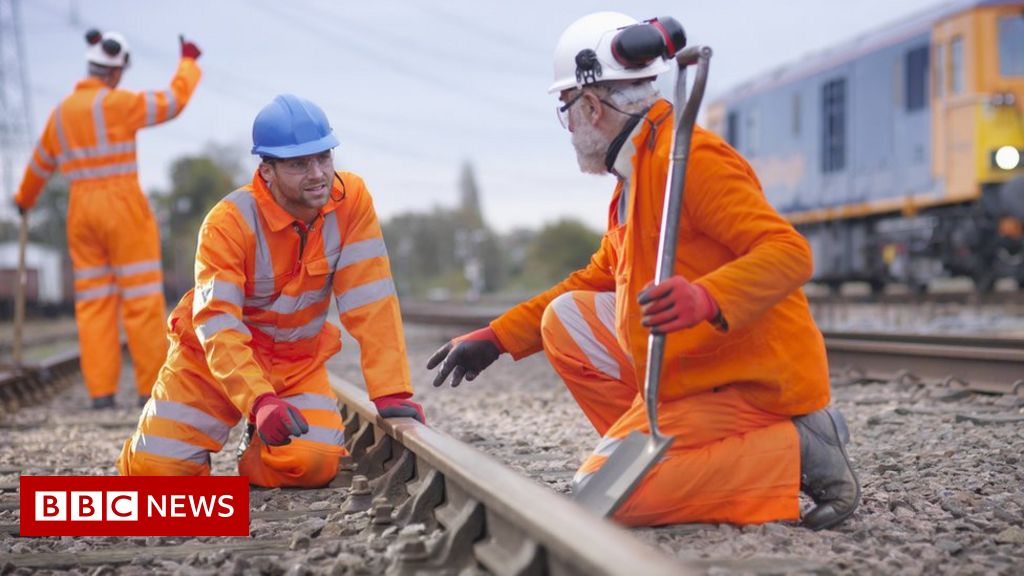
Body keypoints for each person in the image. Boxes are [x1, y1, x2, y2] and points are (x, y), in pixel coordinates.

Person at [428, 12, 860, 529]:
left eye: (566, 112)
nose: (569, 128)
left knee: (603, 499)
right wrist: (497, 338)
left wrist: (708, 298)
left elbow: (789, 252)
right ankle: (679, 461)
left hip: (748, 383)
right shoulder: (634, 178)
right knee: (565, 319)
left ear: (590, 106)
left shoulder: (692, 160)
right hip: (694, 376)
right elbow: (591, 282)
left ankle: (796, 449)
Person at [118, 94, 425, 487]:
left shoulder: (352, 202)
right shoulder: (227, 224)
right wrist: (259, 400)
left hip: (294, 366)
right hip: (209, 366)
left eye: (324, 158)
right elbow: (218, 324)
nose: (318, 174)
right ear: (266, 171)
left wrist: (390, 389)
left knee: (311, 465)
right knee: (155, 480)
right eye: (299, 164)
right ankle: (161, 455)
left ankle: (257, 454)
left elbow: (372, 298)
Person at [13, 29, 203, 409]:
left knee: (94, 304)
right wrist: (188, 64)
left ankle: (101, 393)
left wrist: (23, 200)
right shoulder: (120, 103)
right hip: (123, 208)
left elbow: (39, 164)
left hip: (81, 212)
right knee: (142, 300)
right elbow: (172, 101)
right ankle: (150, 388)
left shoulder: (61, 115)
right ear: (115, 73)